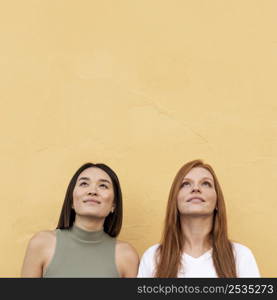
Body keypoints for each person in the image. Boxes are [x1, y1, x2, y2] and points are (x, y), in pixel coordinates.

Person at [138, 159, 260, 278]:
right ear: (175, 200)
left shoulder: (240, 256)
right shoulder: (153, 257)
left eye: (206, 183)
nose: (195, 189)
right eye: (185, 184)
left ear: (217, 202)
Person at [21, 163, 139, 277]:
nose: (92, 191)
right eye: (84, 183)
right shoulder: (41, 243)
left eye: (103, 185)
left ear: (114, 204)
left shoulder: (127, 256)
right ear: (71, 200)